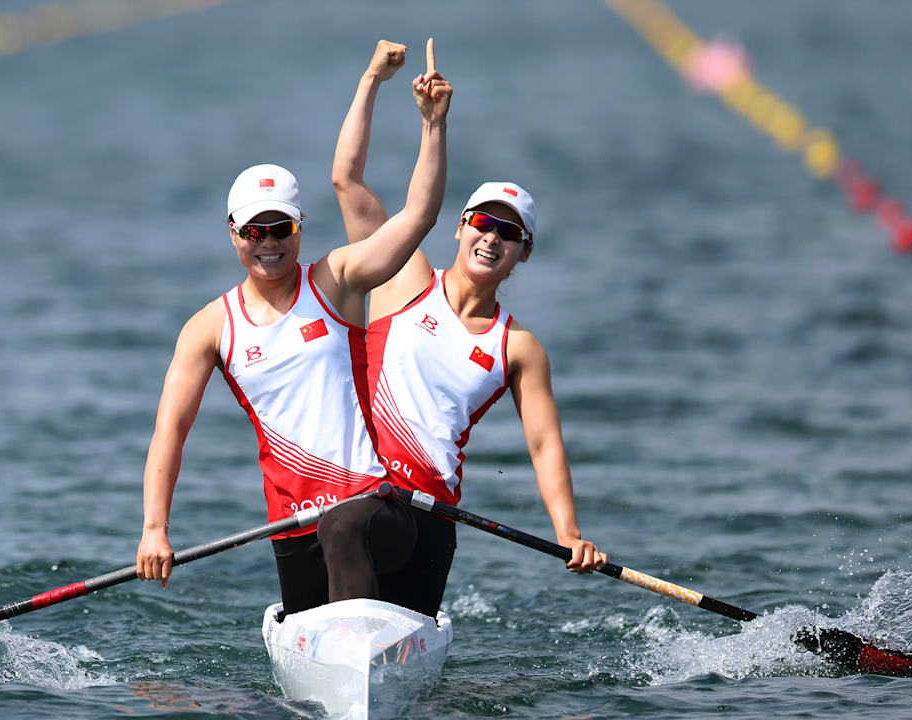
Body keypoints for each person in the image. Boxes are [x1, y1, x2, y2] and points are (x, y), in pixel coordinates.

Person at [134, 47, 452, 619]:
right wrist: (154, 528)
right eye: (255, 230)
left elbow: (418, 215)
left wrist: (432, 126)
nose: (268, 242)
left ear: (299, 228)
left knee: (342, 526)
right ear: (233, 234)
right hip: (291, 526)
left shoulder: (338, 280)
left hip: (377, 510)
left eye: (280, 227)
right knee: (316, 588)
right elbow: (170, 431)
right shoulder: (208, 327)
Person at [316, 40, 606, 618]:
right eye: (482, 221)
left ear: (524, 254)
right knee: (343, 523)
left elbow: (545, 445)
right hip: (360, 498)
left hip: (432, 517)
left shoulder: (518, 346)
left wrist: (570, 532)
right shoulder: (403, 279)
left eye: (510, 232)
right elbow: (346, 180)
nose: (492, 236)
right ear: (458, 229)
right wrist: (376, 81)